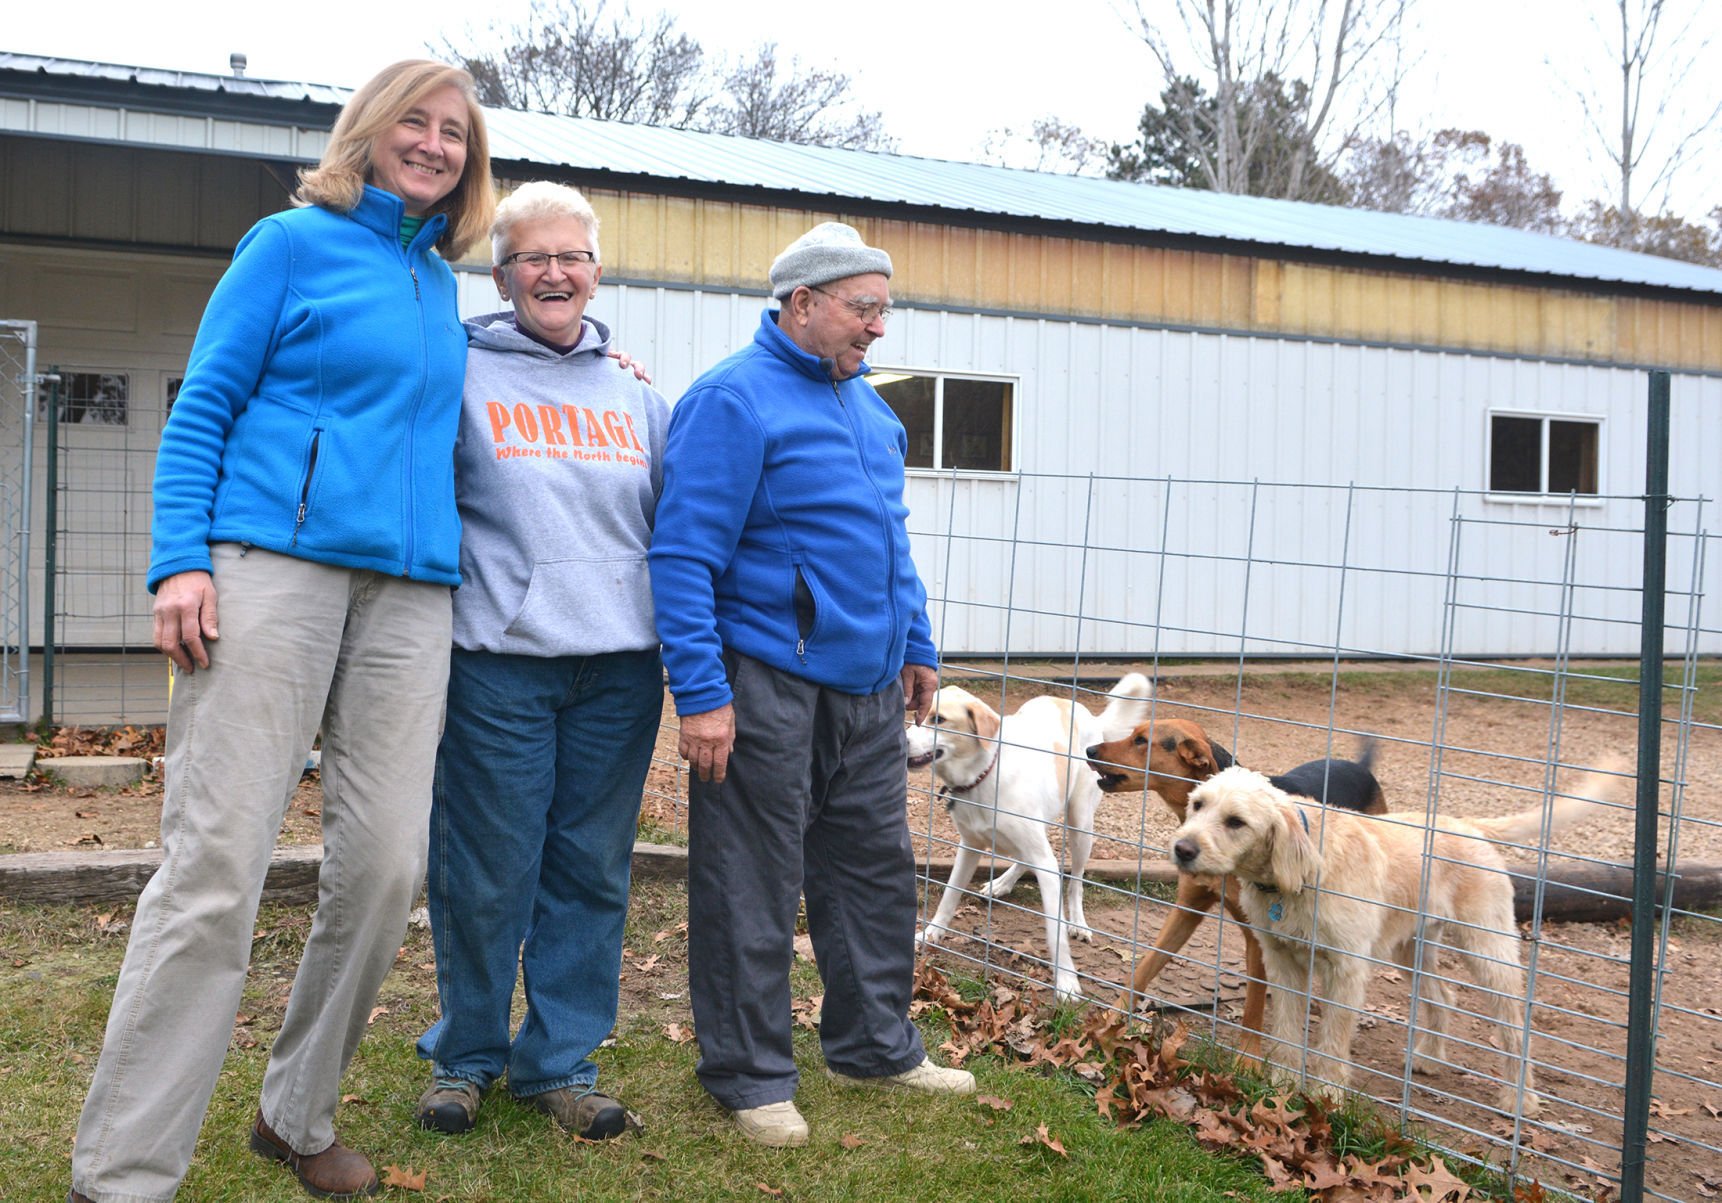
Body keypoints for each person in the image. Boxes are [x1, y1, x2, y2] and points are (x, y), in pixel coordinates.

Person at [68, 60, 494, 1203]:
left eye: (456, 131)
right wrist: (178, 561)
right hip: (272, 570)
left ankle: (294, 1111)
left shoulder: (441, 286)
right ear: (370, 128)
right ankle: (121, 1172)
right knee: (216, 867)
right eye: (417, 118)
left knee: (391, 862)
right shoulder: (290, 242)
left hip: (410, 595)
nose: (437, 143)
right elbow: (203, 401)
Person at [649, 222, 975, 1149]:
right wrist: (704, 694)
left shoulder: (874, 411)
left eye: (884, 309)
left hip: (870, 689)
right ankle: (748, 1075)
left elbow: (890, 542)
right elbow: (681, 557)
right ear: (802, 302)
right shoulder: (731, 401)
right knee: (750, 881)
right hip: (767, 682)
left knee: (873, 873)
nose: (878, 328)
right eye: (862, 308)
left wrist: (917, 644)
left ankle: (874, 1044)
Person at [411, 181, 670, 1142]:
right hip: (501, 664)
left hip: (619, 671)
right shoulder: (461, 374)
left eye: (572, 256)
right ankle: (468, 1057)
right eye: (534, 256)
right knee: (486, 869)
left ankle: (559, 1062)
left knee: (591, 871)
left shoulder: (638, 393)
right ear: (503, 273)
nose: (554, 272)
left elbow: (674, 528)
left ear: (597, 273)